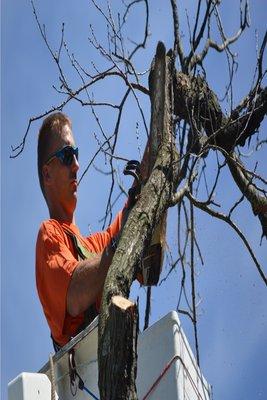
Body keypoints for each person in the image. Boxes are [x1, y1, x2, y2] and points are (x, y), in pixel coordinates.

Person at [36, 112, 136, 351]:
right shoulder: (49, 234)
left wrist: (143, 186)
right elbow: (75, 295)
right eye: (67, 156)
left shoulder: (94, 246)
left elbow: (135, 238)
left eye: (76, 155)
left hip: (121, 360)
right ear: (47, 173)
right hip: (86, 381)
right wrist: (116, 246)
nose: (77, 165)